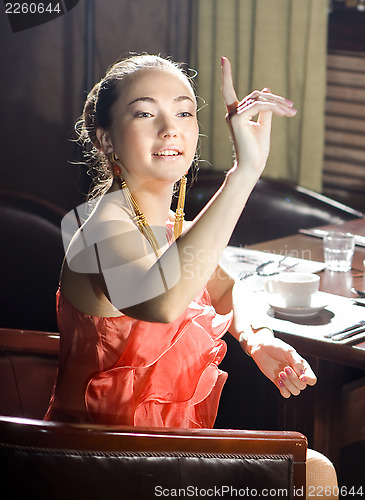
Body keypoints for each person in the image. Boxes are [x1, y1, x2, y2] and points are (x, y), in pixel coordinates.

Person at [44, 54, 337, 497]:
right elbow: (163, 303)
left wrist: (255, 337)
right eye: (145, 113)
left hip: (165, 454)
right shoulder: (104, 227)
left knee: (314, 469)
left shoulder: (165, 224)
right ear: (106, 140)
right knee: (314, 475)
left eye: (184, 111)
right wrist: (243, 174)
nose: (170, 128)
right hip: (101, 465)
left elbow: (223, 287)